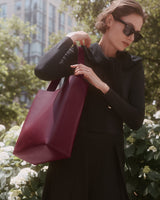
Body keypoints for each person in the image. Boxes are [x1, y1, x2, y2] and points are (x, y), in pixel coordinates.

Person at [35, 0, 146, 199]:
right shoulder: (81, 55)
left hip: (108, 162)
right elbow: (43, 70)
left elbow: (136, 119)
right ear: (110, 20)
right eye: (128, 29)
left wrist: (102, 86)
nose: (131, 37)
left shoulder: (133, 66)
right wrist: (70, 38)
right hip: (70, 157)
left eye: (136, 34)